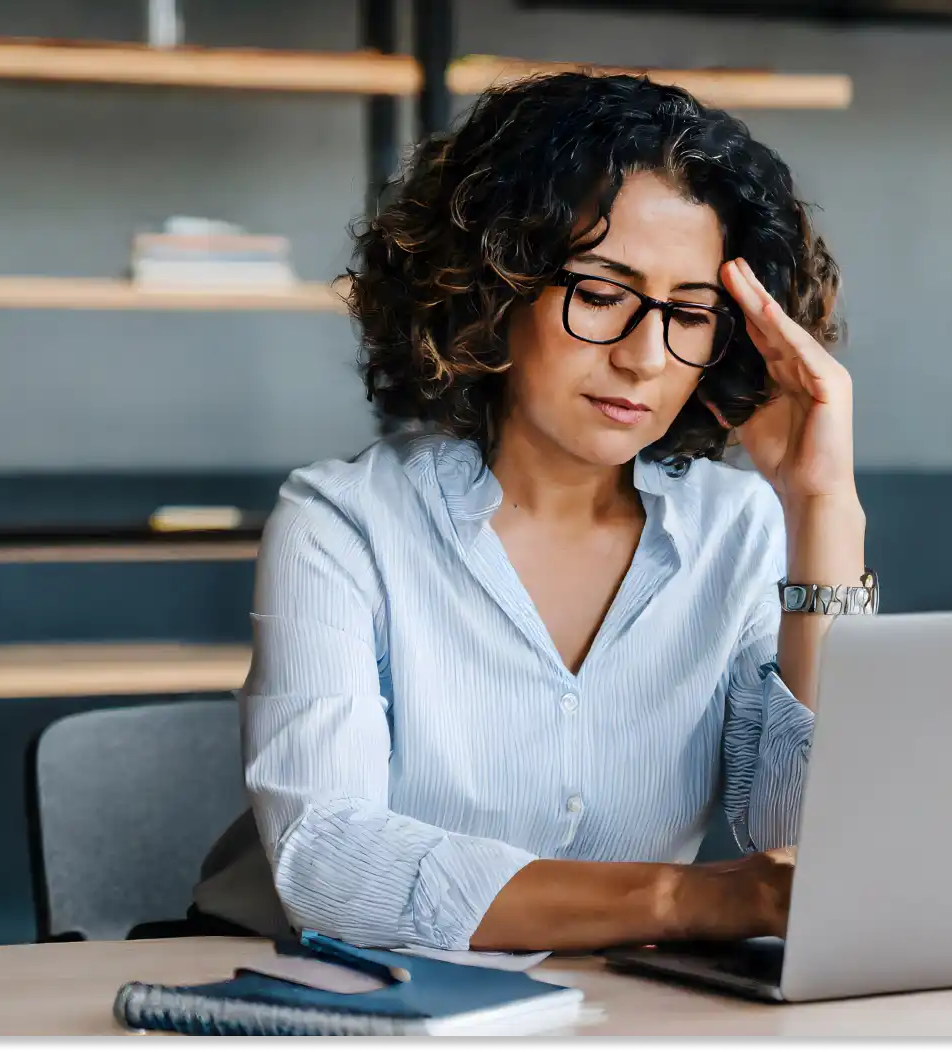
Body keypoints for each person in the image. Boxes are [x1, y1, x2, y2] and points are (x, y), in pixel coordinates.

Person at [190, 72, 872, 954]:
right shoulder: (342, 524)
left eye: (691, 315)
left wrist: (823, 506)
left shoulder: (738, 530)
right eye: (599, 294)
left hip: (613, 1006)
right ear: (493, 286)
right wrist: (684, 900)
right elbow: (332, 860)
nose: (643, 358)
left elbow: (809, 837)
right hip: (337, 994)